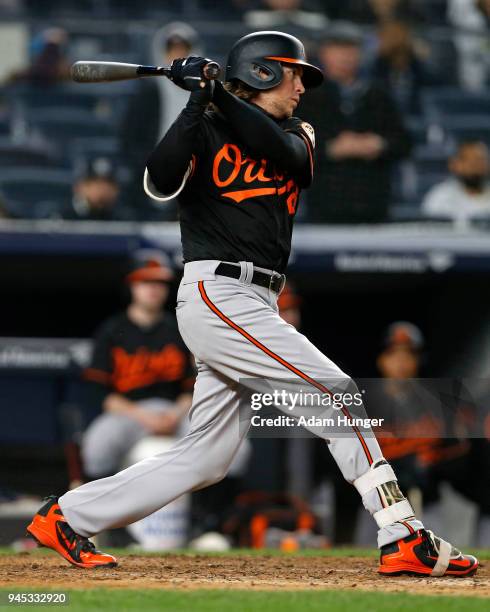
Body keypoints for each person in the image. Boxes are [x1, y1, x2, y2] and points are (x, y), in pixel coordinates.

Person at [27, 31, 478, 577]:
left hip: (255, 298)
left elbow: (288, 157)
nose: (301, 87)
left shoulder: (297, 131)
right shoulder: (206, 126)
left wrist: (217, 95)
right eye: (293, 74)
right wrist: (197, 99)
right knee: (337, 395)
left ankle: (67, 516)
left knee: (208, 456)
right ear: (261, 72)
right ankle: (402, 531)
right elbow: (159, 179)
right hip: (220, 292)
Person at [80, 251, 194, 480]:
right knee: (97, 445)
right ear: (131, 285)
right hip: (129, 412)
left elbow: (192, 388)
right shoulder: (111, 331)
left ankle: (208, 515)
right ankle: (104, 511)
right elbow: (101, 394)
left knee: (228, 446)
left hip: (175, 411)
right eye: (145, 281)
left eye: (159, 282)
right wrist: (145, 417)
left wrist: (173, 415)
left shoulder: (181, 330)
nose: (153, 288)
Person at [303, 23, 412, 223]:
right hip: (324, 208)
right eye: (337, 48)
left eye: (351, 49)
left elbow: (404, 143)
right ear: (323, 53)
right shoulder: (305, 96)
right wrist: (330, 149)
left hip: (374, 207)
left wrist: (379, 144)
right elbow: (288, 148)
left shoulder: (379, 95)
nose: (345, 56)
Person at [120, 22, 201, 218]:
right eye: (172, 49)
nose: (178, 54)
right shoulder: (148, 92)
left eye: (184, 49)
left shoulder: (206, 92)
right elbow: (130, 138)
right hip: (151, 176)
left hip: (198, 176)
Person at [370, 20, 441, 115]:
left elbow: (436, 84)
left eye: (398, 36)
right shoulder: (378, 67)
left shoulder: (417, 67)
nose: (395, 41)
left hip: (417, 114)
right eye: (390, 36)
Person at [422, 141, 490, 225]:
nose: (474, 166)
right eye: (468, 161)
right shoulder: (440, 197)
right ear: (454, 164)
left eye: (479, 160)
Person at [60, 157, 130, 221]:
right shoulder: (64, 217)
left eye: (109, 183)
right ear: (80, 187)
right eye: (95, 182)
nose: (102, 189)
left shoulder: (124, 218)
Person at [448, 0, 490, 91]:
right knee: (472, 83)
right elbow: (454, 17)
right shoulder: (461, 4)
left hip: (482, 42)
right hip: (468, 44)